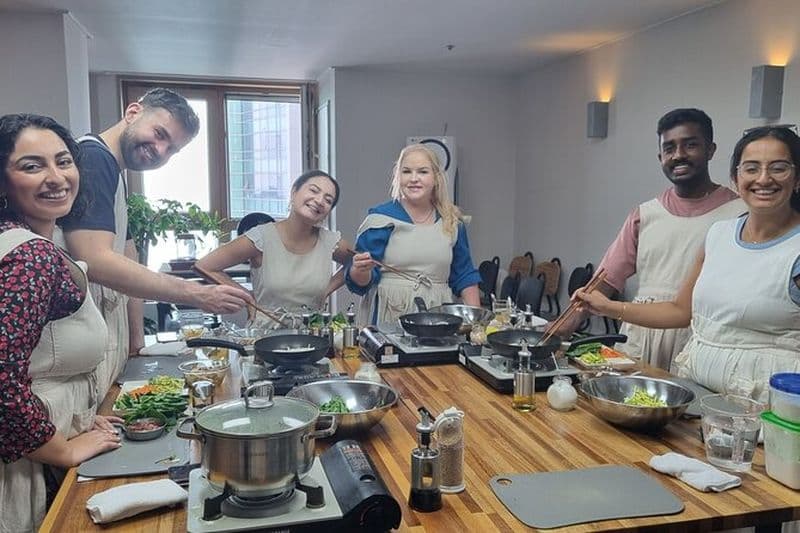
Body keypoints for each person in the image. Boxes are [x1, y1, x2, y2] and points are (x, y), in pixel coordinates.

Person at [576, 125, 800, 404]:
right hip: (697, 393)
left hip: (765, 406)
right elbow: (681, 310)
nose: (764, 179)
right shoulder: (719, 234)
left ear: (797, 178)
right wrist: (606, 307)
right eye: (751, 168)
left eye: (778, 168)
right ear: (735, 177)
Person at [58, 88, 253, 397]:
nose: (161, 150)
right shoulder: (94, 159)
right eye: (159, 133)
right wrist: (197, 294)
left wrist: (137, 342)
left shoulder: (114, 172)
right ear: (133, 112)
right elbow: (93, 259)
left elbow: (129, 251)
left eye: (172, 149)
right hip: (69, 360)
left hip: (101, 353)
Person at [0, 114, 122, 532]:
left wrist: (77, 418)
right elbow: (1, 379)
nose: (56, 178)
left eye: (63, 161)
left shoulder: (25, 244)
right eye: (32, 166)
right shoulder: (29, 257)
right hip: (25, 472)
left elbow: (39, 364)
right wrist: (60, 448)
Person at [561, 108, 745, 371]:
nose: (678, 155)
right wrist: (560, 330)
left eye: (690, 145)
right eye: (669, 148)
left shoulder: (739, 214)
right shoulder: (645, 214)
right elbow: (605, 279)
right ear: (660, 157)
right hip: (640, 333)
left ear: (711, 150)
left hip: (699, 336)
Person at [195, 171, 351, 327]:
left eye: (328, 200)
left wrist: (327, 289)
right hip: (265, 336)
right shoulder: (262, 237)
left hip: (313, 335)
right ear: (294, 192)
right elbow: (205, 266)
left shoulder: (330, 242)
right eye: (313, 190)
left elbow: (355, 263)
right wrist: (247, 298)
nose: (319, 200)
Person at [347, 143, 481, 325]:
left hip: (438, 315)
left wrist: (476, 323)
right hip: (389, 315)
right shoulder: (380, 220)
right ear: (398, 177)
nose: (414, 178)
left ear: (436, 178)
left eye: (423, 172)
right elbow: (362, 284)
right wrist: (358, 270)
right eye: (407, 171)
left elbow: (464, 275)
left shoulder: (452, 221)